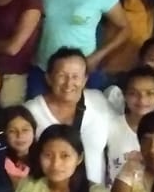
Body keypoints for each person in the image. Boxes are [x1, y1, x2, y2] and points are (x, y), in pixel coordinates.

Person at [25, 47, 115, 183]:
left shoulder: (99, 101)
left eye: (75, 76)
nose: (68, 83)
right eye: (62, 76)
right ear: (48, 78)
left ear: (85, 80)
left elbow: (122, 133)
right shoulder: (31, 111)